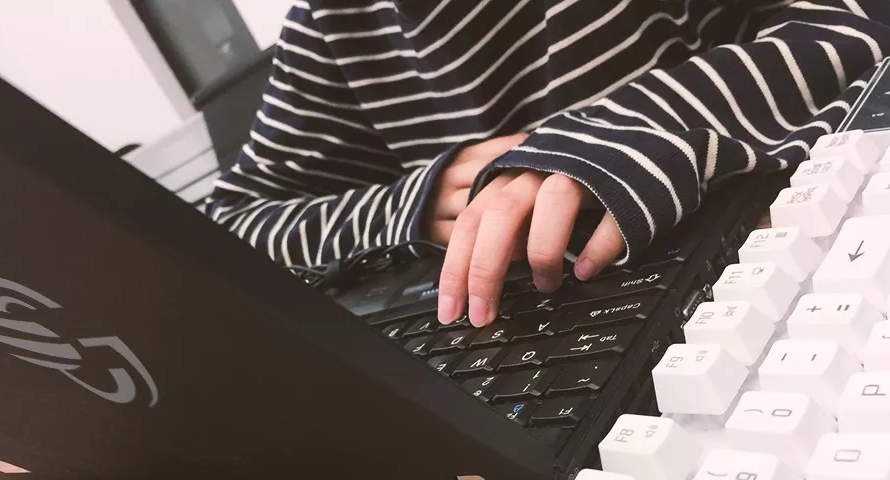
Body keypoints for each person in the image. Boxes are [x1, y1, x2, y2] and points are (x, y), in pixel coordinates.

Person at [206, 0, 890, 328]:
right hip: (531, 329)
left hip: (792, 263)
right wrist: (412, 203)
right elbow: (230, 226)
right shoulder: (333, 23)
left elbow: (856, 21)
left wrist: (612, 133)